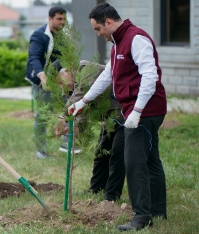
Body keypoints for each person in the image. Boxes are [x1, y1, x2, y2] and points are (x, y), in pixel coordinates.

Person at [68, 3, 167, 231]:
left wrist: (138, 111)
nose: (98, 33)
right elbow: (107, 76)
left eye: (98, 28)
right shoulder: (117, 44)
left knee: (133, 163)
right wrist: (83, 102)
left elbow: (150, 76)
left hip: (145, 111)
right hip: (138, 110)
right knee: (151, 159)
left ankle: (142, 216)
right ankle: (158, 210)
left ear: (109, 23)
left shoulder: (136, 39)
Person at [53, 60, 125, 202]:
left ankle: (111, 196)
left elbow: (82, 93)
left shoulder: (85, 69)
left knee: (117, 154)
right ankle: (96, 189)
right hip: (109, 117)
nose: (62, 88)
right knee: (101, 153)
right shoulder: (71, 88)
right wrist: (77, 127)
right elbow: (82, 109)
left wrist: (63, 117)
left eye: (61, 82)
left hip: (124, 111)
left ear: (67, 72)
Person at [25, 6, 71, 159]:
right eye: (59, 19)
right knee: (44, 114)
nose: (62, 22)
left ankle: (68, 143)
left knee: (69, 107)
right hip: (40, 79)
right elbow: (34, 58)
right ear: (50, 18)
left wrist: (65, 77)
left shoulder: (62, 37)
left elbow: (64, 59)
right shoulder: (39, 35)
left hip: (57, 79)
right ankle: (41, 150)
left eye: (64, 19)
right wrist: (43, 77)